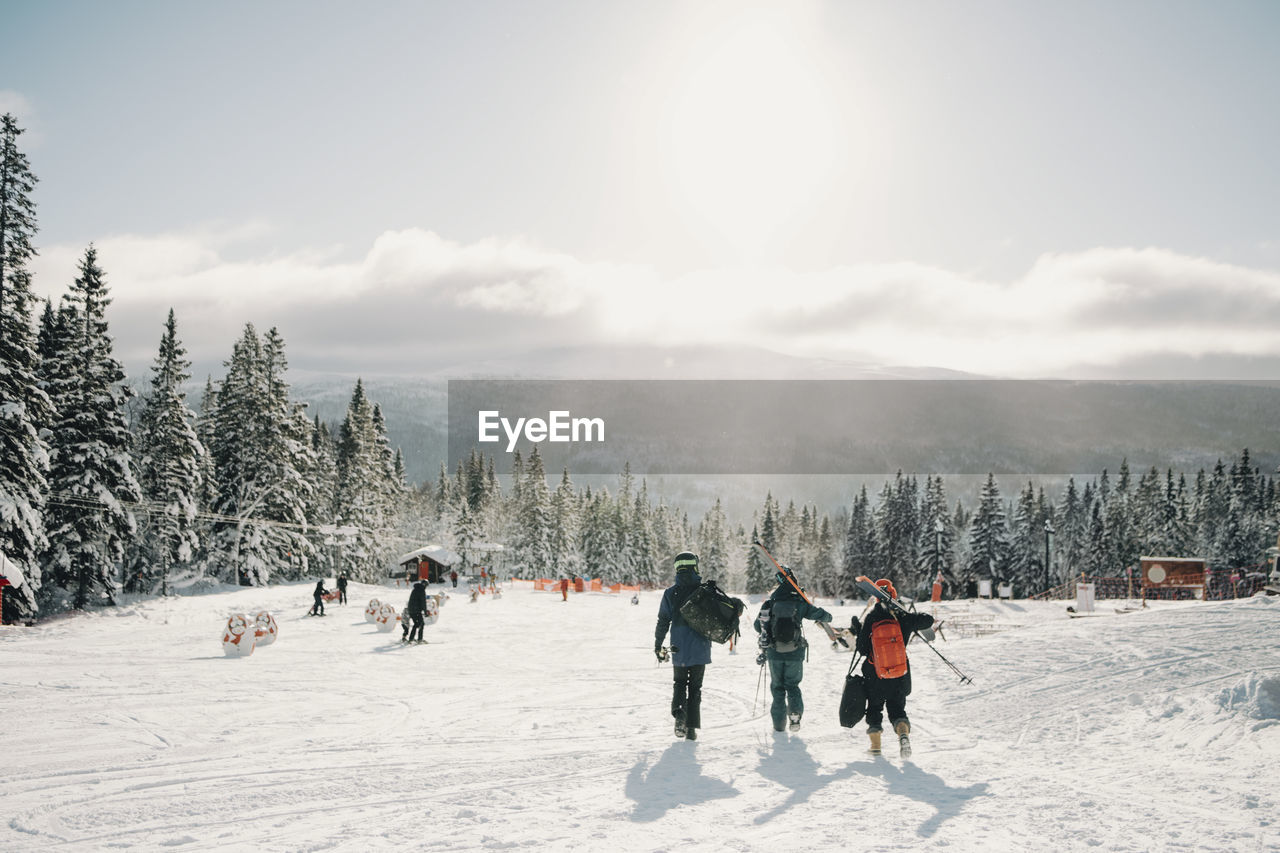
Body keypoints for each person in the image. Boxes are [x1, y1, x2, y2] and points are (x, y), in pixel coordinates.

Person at [852, 578, 934, 756]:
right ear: (894, 594)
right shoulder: (903, 617)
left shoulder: (872, 617)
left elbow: (862, 649)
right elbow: (928, 620)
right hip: (899, 673)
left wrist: (858, 630)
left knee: (874, 709)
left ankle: (875, 746)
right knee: (897, 709)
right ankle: (903, 734)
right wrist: (909, 615)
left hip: (875, 674)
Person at [753, 566, 833, 732]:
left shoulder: (770, 603)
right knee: (792, 686)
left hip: (774, 653)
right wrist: (827, 616)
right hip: (795, 652)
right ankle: (795, 714)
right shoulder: (799, 603)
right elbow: (822, 615)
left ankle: (778, 724)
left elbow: (757, 626)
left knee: (777, 687)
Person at [654, 551, 712, 741]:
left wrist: (658, 644)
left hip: (678, 646)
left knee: (679, 683)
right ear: (695, 566)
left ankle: (679, 716)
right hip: (700, 646)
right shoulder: (705, 591)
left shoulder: (670, 593)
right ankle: (691, 730)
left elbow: (663, 620)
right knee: (695, 688)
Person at [405, 578, 428, 643]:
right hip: (416, 610)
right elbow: (423, 602)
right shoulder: (422, 590)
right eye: (426, 585)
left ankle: (411, 638)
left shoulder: (415, 589)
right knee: (421, 624)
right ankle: (419, 639)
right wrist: (425, 612)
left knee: (416, 624)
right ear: (425, 585)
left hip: (411, 610)